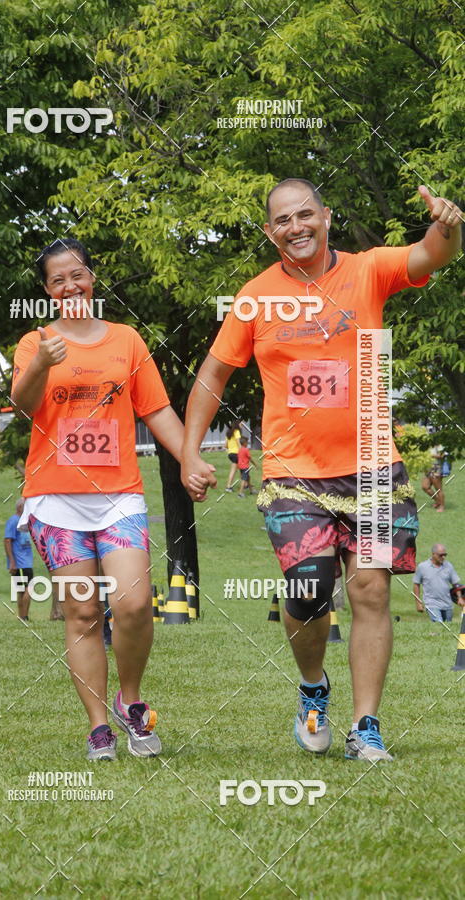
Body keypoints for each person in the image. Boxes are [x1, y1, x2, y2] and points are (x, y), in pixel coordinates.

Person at [182, 177, 463, 762]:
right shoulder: (255, 297)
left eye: (305, 214)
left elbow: (430, 254)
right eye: (282, 220)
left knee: (370, 590)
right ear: (269, 232)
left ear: (326, 217)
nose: (296, 227)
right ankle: (314, 687)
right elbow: (212, 376)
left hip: (373, 467)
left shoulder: (367, 270)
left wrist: (445, 225)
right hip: (294, 472)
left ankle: (366, 727)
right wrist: (188, 451)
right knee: (309, 590)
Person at [11, 238, 202, 762]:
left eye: (77, 275)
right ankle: (99, 727)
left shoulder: (126, 340)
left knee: (135, 603)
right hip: (55, 498)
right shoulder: (36, 341)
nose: (70, 285)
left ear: (91, 278)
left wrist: (188, 457)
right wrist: (42, 365)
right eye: (58, 279)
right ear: (46, 290)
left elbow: (157, 410)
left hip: (118, 493)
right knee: (82, 611)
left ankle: (129, 698)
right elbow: (23, 406)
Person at [413, 544, 463, 624]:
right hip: (431, 603)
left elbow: (455, 584)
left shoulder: (448, 566)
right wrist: (418, 602)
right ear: (433, 554)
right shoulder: (423, 567)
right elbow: (416, 584)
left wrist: (460, 598)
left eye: (445, 555)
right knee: (439, 624)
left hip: (447, 604)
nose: (443, 557)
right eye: (441, 555)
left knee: (448, 627)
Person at [4, 498, 34, 620]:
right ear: (19, 507)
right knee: (28, 588)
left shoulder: (24, 521)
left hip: (26, 561)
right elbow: (7, 540)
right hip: (20, 563)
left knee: (22, 589)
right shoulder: (13, 521)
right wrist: (12, 562)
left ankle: (22, 617)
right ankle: (24, 616)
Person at [421, 443, 445, 511]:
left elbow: (442, 455)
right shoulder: (426, 444)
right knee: (425, 487)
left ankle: (442, 506)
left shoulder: (439, 445)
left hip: (436, 467)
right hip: (428, 467)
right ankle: (438, 501)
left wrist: (429, 455)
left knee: (438, 489)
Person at [224, 420, 242, 491]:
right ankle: (228, 486)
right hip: (236, 453)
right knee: (234, 470)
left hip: (230, 454)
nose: (242, 425)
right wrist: (242, 451)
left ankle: (246, 484)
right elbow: (238, 443)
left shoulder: (229, 433)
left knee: (241, 469)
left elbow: (225, 445)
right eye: (241, 423)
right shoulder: (237, 432)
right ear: (237, 424)